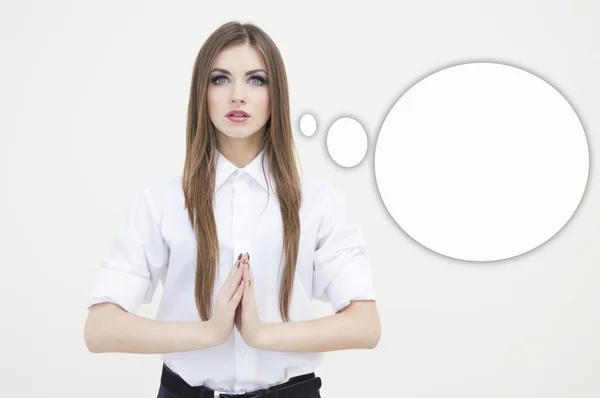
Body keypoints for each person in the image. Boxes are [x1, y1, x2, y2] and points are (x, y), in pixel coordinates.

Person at [84, 21, 380, 398]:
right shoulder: (160, 203)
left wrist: (262, 334)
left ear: (277, 95)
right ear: (201, 93)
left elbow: (366, 325)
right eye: (220, 79)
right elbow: (100, 329)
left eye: (256, 80)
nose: (238, 95)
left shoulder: (319, 203)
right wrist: (209, 332)